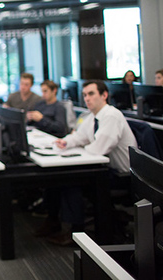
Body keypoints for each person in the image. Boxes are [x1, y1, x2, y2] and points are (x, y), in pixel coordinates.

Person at [34, 80, 137, 246]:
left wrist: (79, 147)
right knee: (58, 178)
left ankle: (75, 232)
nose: (87, 99)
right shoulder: (92, 116)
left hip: (121, 175)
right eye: (84, 95)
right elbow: (79, 137)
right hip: (103, 169)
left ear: (104, 95)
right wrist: (65, 142)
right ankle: (55, 221)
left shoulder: (111, 115)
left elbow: (99, 148)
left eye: (91, 94)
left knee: (70, 181)